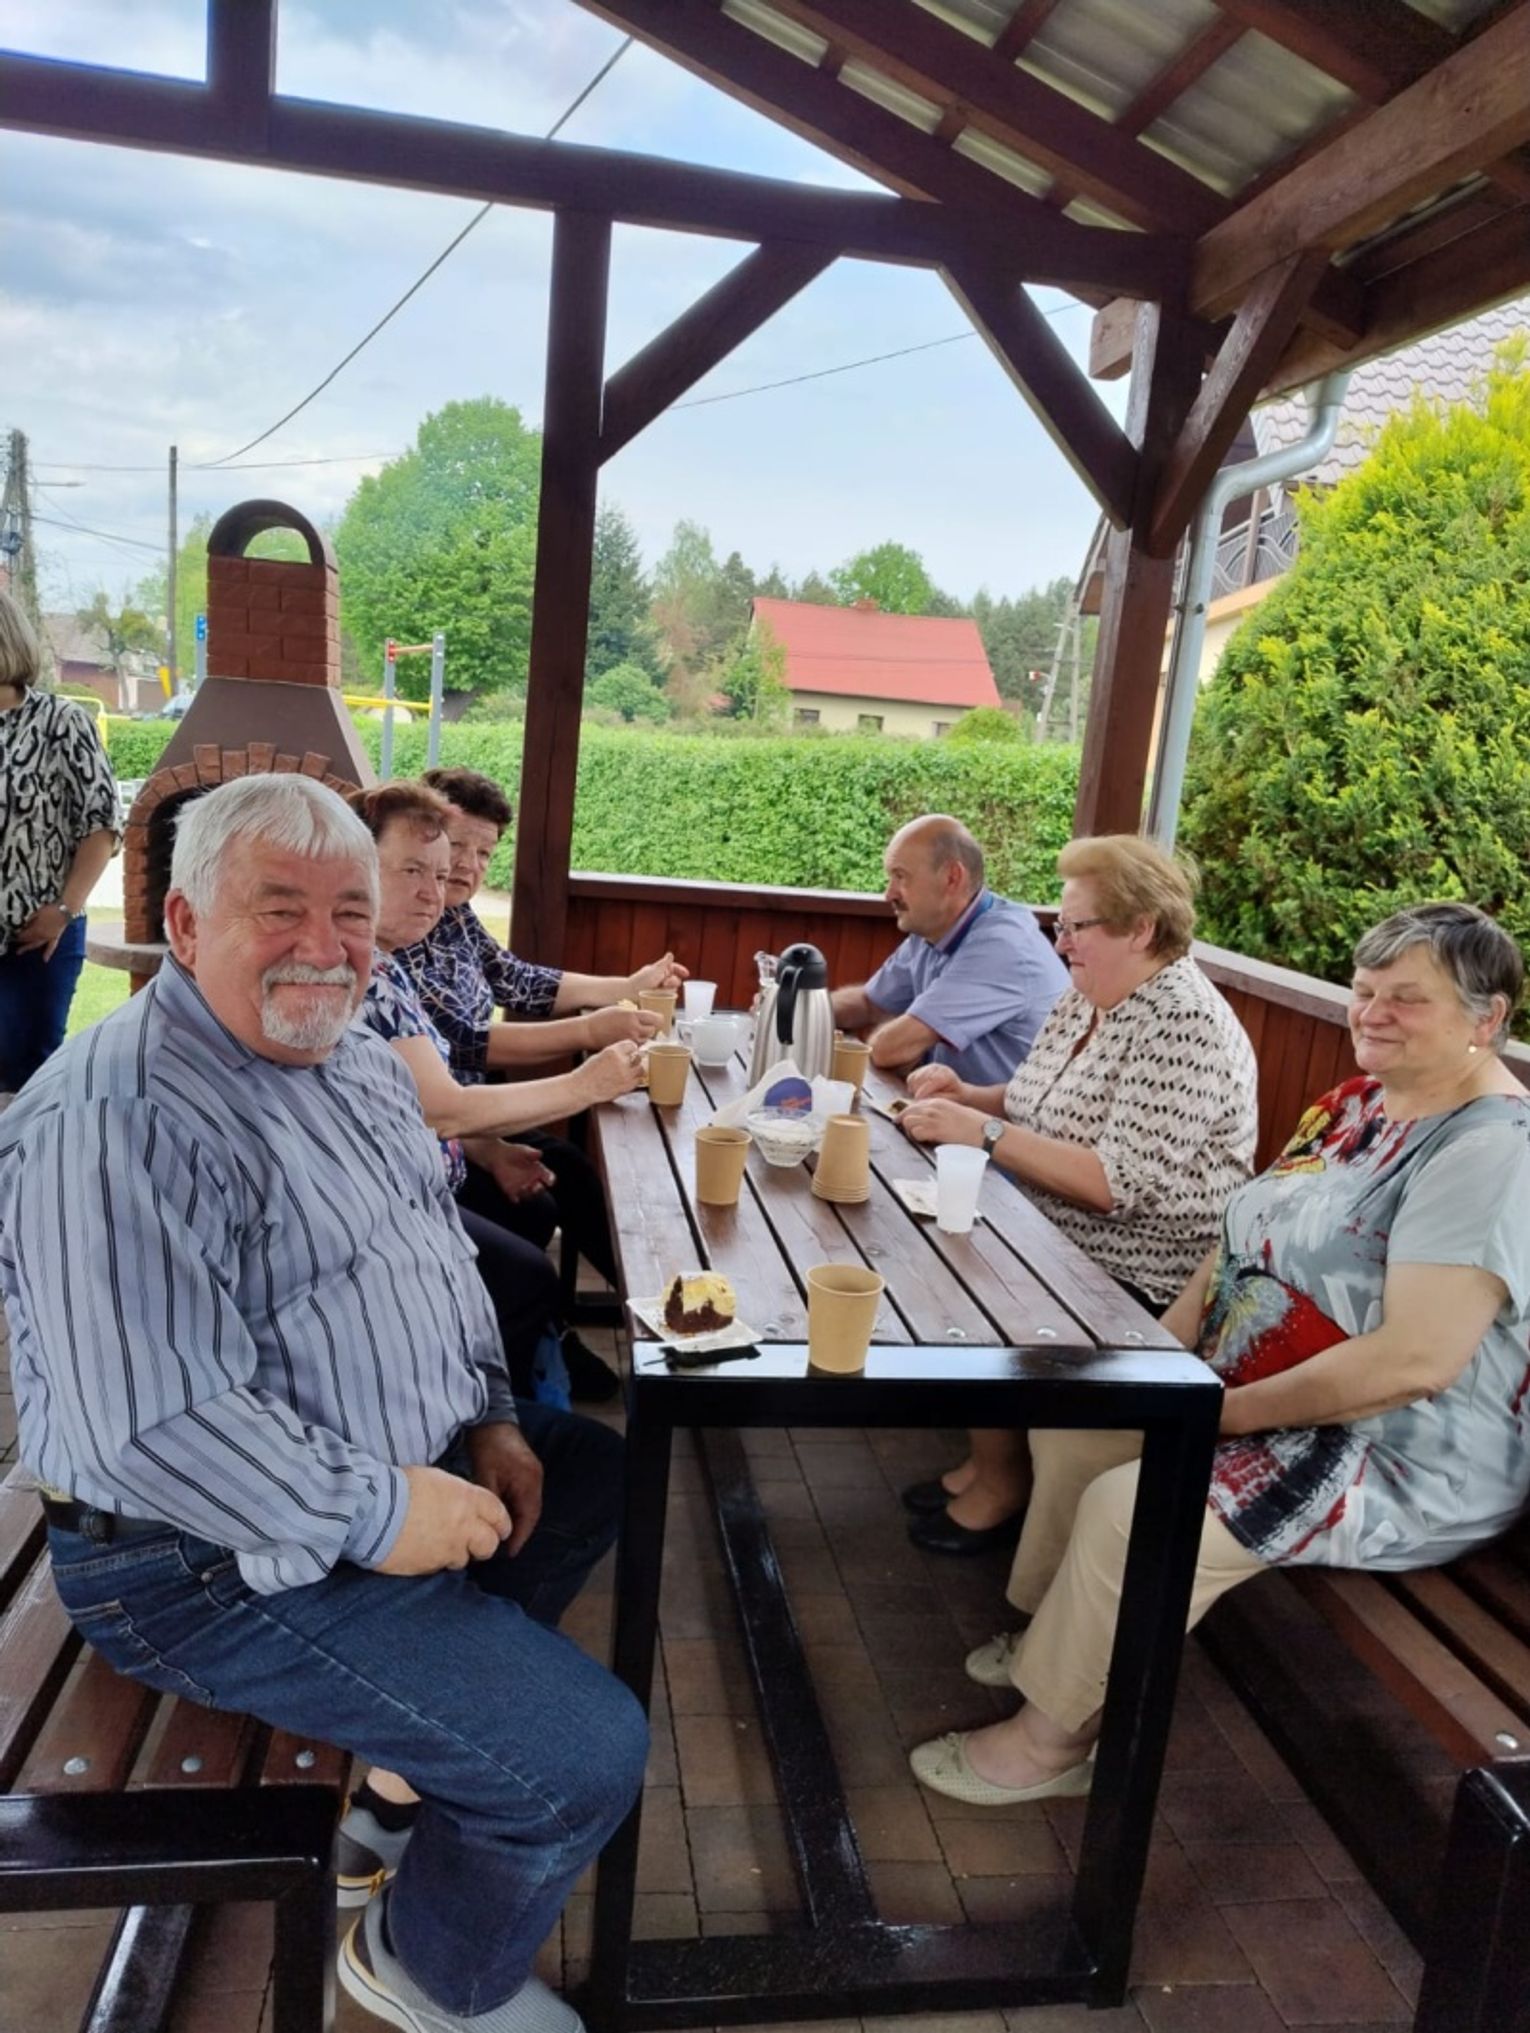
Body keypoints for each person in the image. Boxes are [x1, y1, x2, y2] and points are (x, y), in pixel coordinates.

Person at [0, 774, 646, 2033]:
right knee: (579, 1756)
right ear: (186, 925)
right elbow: (155, 1427)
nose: (324, 943)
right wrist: (382, 1509)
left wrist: (491, 1415)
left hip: (386, 1458)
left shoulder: (350, 1057)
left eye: (350, 911)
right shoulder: (115, 1118)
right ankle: (431, 1969)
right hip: (185, 1557)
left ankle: (407, 1755)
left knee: (589, 1470)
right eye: (278, 907)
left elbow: (433, 1254)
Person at [908, 901, 1530, 1809]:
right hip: (1254, 1389)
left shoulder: (1490, 1150)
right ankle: (1060, 1640)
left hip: (1392, 1446)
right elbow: (1241, 1232)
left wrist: (1216, 1413)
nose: (1372, 1012)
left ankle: (1055, 1737)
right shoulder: (1356, 1104)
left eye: (1407, 997)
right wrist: (1160, 1363)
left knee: (1136, 1505)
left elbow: (1416, 1362)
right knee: (1082, 1430)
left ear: (1488, 1016)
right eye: (1364, 990)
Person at [898, 835, 1257, 1554]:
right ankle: (993, 1460)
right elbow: (1039, 1098)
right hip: (1054, 1235)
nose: (1060, 943)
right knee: (950, 1252)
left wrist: (984, 1132)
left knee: (975, 1277)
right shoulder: (1092, 995)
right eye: (1059, 926)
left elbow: (1114, 1183)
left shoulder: (1182, 1020)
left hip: (1143, 1273)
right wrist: (969, 1094)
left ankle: (1005, 1480)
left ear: (1141, 928)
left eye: (1075, 927)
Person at [348, 779, 647, 1399]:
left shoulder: (398, 950)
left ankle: (583, 1334)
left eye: (471, 858)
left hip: (441, 1154)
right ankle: (488, 1411)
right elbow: (451, 1074)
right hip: (385, 1198)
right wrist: (585, 1075)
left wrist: (622, 989)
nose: (440, 888)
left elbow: (509, 985)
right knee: (530, 1263)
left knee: (553, 1189)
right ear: (353, 866)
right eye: (415, 870)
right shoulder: (359, 969)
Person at [830, 814, 1067, 1087]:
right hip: (953, 1107)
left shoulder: (1003, 946)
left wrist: (909, 1042)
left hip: (1007, 1114)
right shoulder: (932, 929)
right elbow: (869, 1003)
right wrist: (802, 1011)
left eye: (900, 876)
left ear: (952, 878)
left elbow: (889, 1049)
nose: (889, 893)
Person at [0, 591, 118, 1092]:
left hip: (37, 940)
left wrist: (65, 910)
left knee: (27, 1081)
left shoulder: (61, 722)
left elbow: (102, 824)